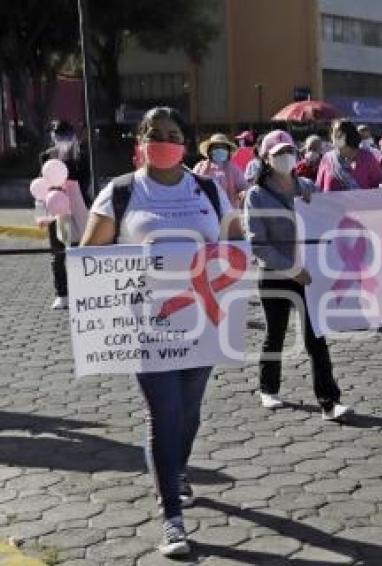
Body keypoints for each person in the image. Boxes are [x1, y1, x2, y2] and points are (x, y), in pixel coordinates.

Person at [80, 107, 242, 558]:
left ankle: (178, 470)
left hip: (204, 321)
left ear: (185, 143)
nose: (165, 141)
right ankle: (171, 515)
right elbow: (90, 254)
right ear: (141, 140)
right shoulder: (122, 192)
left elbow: (234, 241)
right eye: (156, 134)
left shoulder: (207, 189)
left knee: (189, 412)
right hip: (145, 325)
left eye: (173, 134)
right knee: (163, 414)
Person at [243, 129, 351, 420]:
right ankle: (268, 388)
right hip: (275, 273)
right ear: (266, 158)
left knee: (316, 336)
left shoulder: (306, 185)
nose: (284, 157)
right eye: (277, 153)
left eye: (289, 151)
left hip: (310, 274)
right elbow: (259, 244)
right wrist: (292, 269)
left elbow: (325, 224)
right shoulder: (256, 195)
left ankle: (329, 402)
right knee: (274, 334)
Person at [39, 120, 91, 310]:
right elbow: (42, 183)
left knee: (79, 249)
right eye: (56, 134)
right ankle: (62, 293)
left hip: (78, 207)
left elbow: (85, 182)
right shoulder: (46, 157)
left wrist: (68, 181)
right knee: (58, 252)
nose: (60, 139)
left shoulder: (81, 156)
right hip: (55, 207)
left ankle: (83, 291)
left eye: (63, 134)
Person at [315, 119, 382, 191]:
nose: (334, 137)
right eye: (333, 133)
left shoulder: (367, 158)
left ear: (349, 135)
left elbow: (379, 185)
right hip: (332, 202)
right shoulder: (327, 158)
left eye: (339, 134)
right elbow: (319, 187)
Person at [193, 133, 248, 207]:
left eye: (223, 148)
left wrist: (243, 193)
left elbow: (244, 187)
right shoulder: (200, 167)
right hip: (205, 209)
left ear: (228, 151)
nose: (220, 150)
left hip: (229, 210)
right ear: (210, 150)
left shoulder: (234, 169)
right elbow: (192, 186)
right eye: (216, 147)